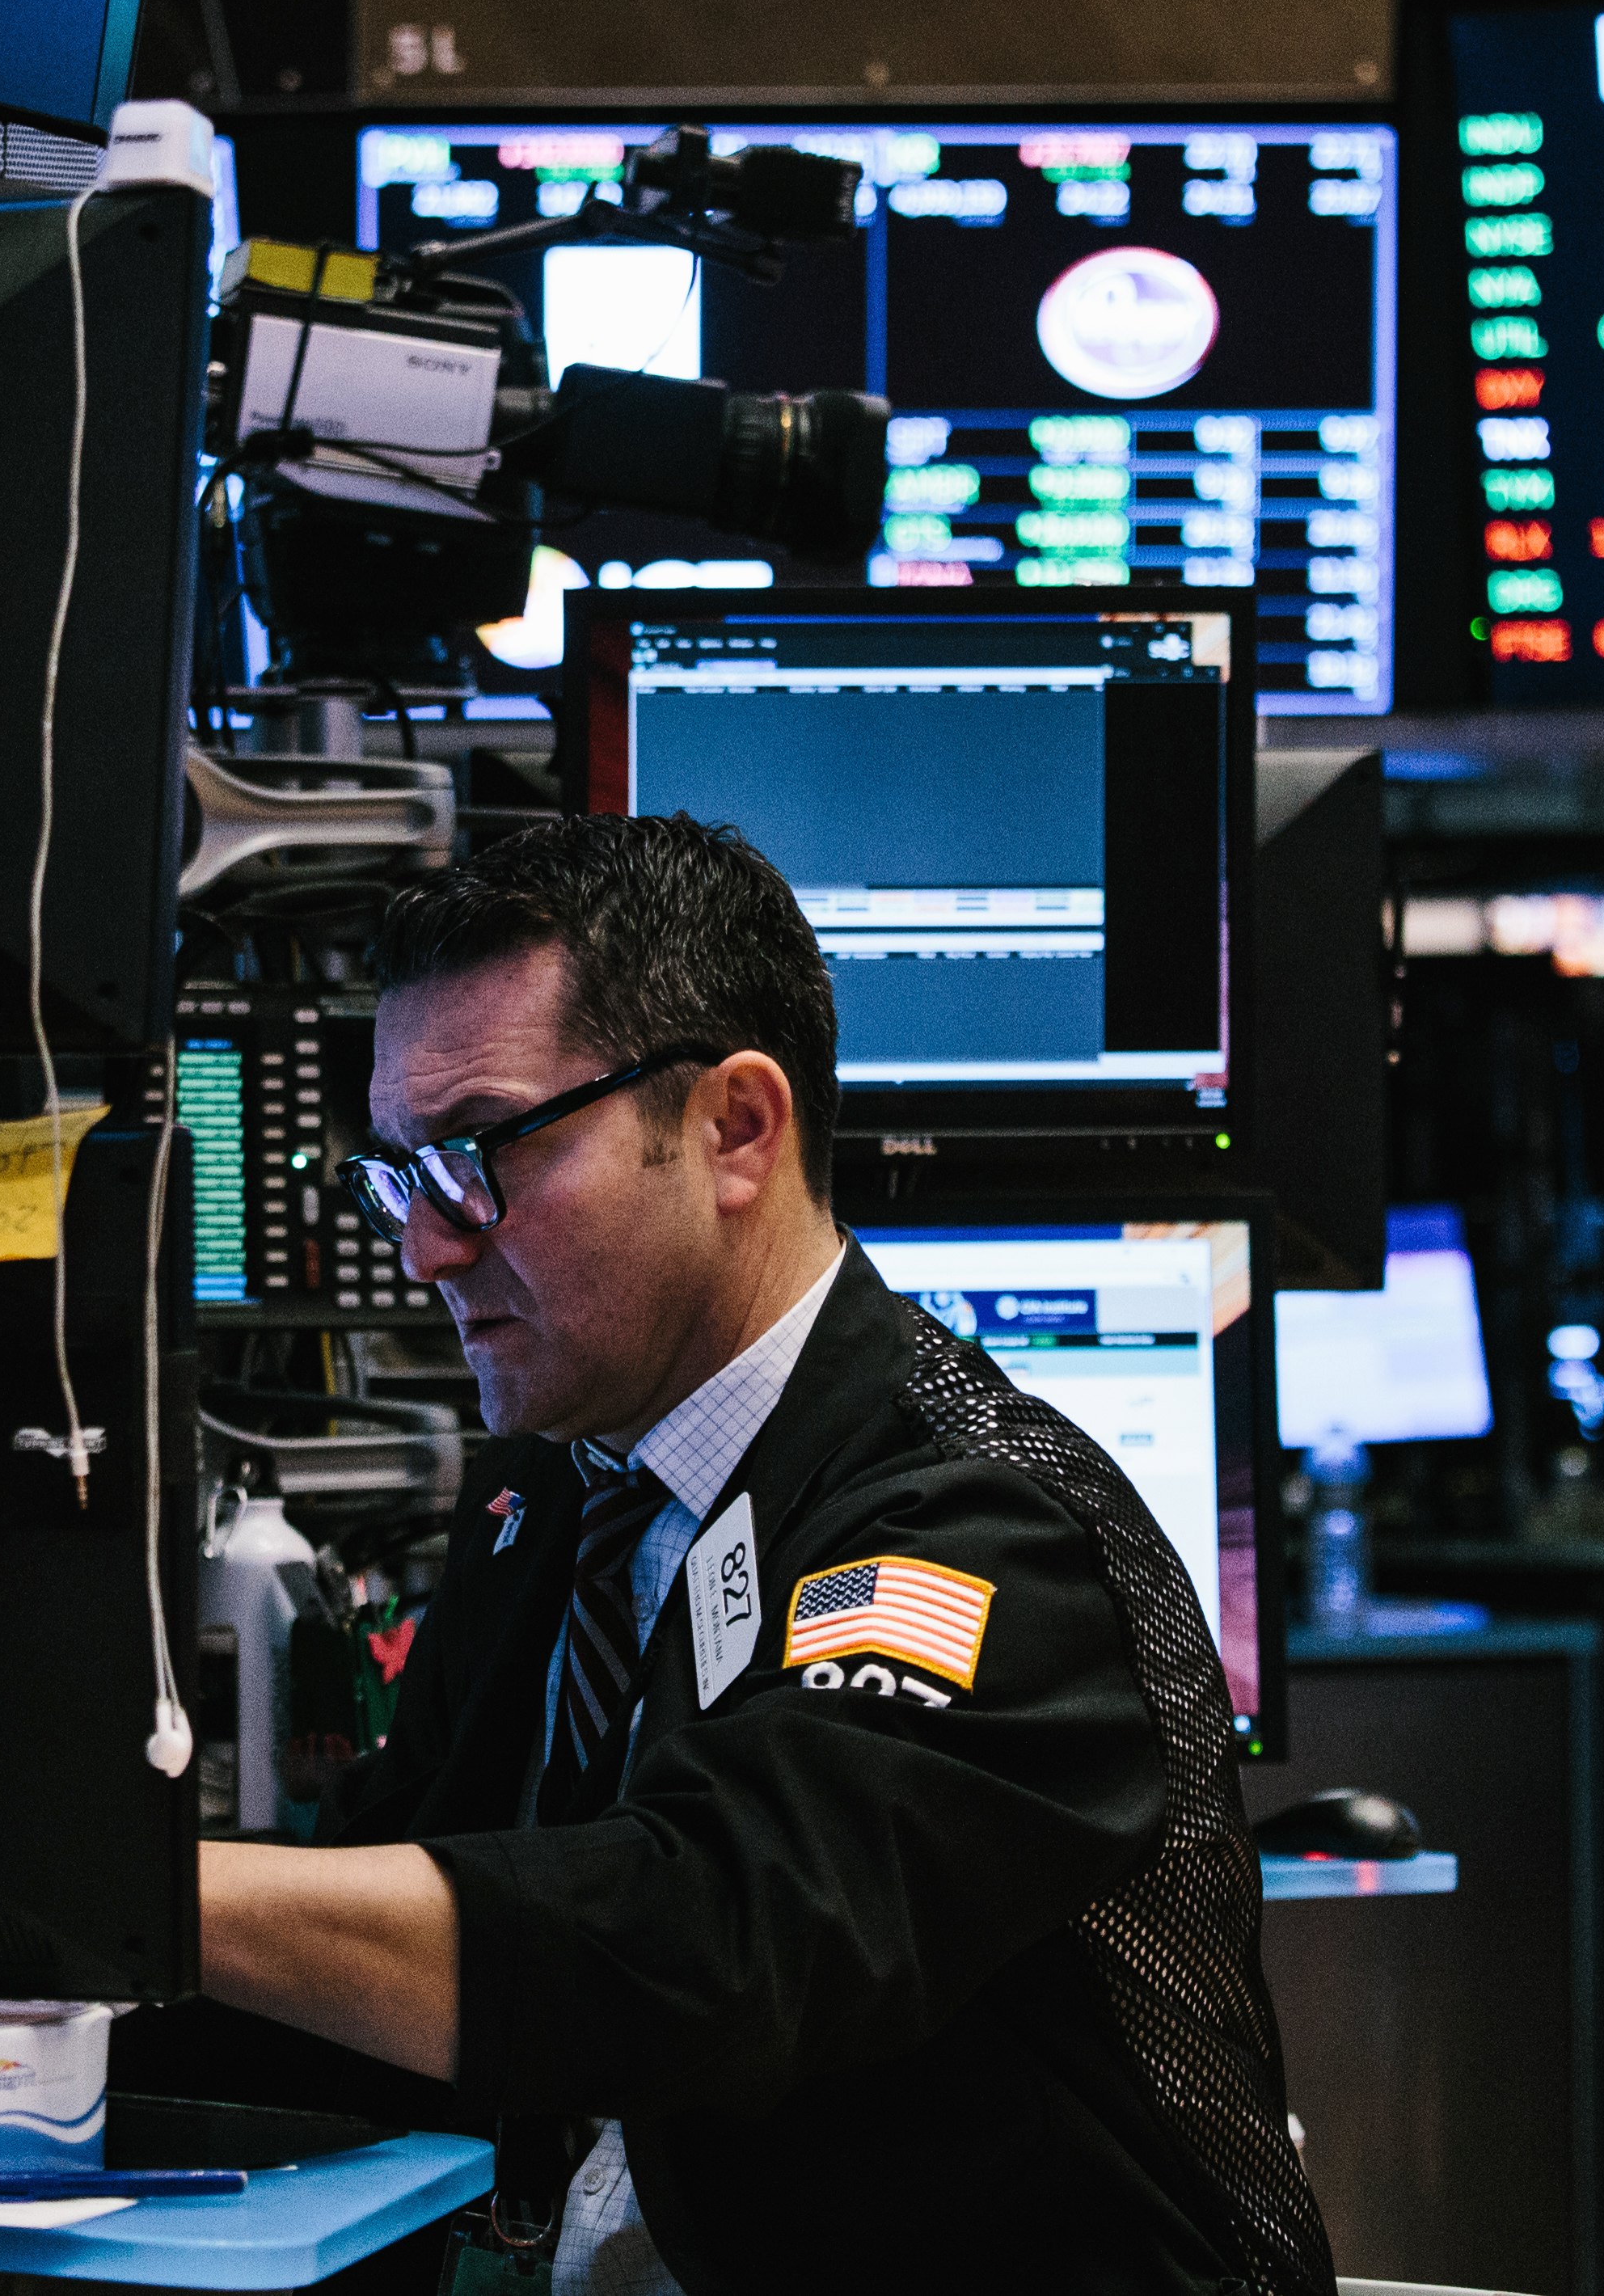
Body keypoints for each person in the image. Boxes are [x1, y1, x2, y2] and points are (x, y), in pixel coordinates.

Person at [193, 813, 1330, 2295]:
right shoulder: (556, 1499)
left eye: (480, 1155)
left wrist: (142, 1896)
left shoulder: (974, 1525)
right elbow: (390, 1912)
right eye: (402, 1175)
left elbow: (711, 1944)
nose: (428, 1248)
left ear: (736, 1129)